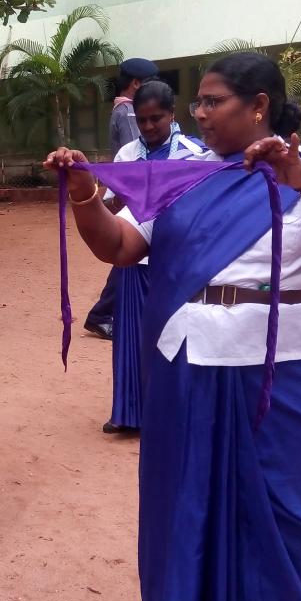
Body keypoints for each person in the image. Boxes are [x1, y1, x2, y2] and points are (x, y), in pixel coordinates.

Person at [45, 52, 301, 601]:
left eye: (212, 101)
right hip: (190, 363)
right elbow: (121, 246)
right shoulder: (186, 176)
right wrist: (83, 197)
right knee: (186, 506)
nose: (198, 114)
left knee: (288, 514)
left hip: (285, 365)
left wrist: (299, 177)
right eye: (196, 102)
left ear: (258, 107)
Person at [102, 81, 204, 435]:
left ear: (172, 114)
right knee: (132, 336)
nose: (148, 127)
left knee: (174, 337)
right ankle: (129, 412)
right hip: (135, 259)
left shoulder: (193, 155)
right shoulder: (127, 154)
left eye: (155, 119)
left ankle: (173, 413)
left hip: (178, 262)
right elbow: (113, 202)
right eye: (142, 120)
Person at [84, 57, 161, 339]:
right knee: (130, 255)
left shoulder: (121, 110)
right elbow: (137, 151)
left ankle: (104, 312)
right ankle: (103, 313)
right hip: (134, 192)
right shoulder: (129, 112)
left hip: (129, 191)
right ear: (137, 84)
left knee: (129, 254)